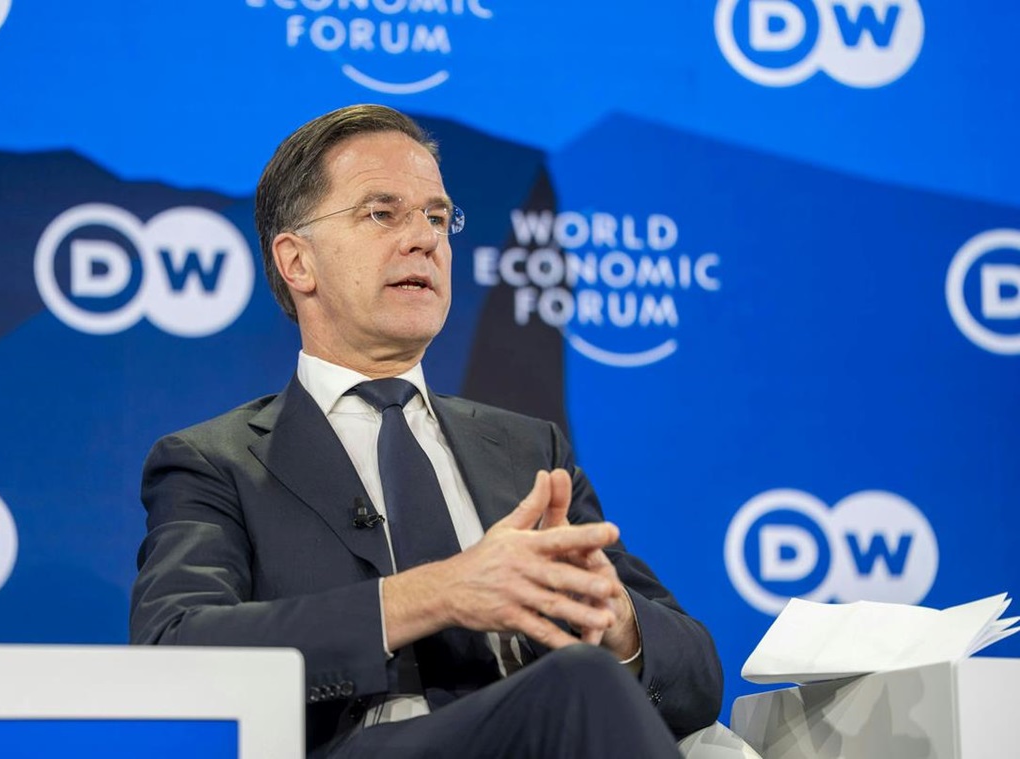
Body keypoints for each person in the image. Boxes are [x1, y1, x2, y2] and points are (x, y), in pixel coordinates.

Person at [130, 104, 722, 758]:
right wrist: (437, 592)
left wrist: (618, 622)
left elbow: (697, 677)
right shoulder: (215, 464)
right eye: (382, 214)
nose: (424, 239)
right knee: (577, 682)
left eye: (437, 217)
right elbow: (176, 650)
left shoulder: (529, 450)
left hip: (547, 733)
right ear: (297, 262)